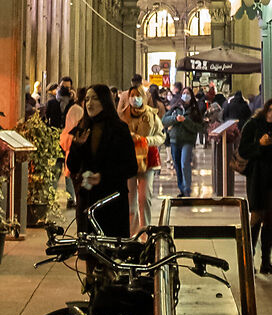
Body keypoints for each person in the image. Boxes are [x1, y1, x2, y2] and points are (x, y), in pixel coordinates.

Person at [66, 84, 136, 237]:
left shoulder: (119, 129)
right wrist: (77, 146)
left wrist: (103, 176)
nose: (89, 104)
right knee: (90, 252)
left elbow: (131, 167)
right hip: (88, 200)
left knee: (111, 253)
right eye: (87, 99)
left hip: (112, 200)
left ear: (105, 101)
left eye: (95, 99)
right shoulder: (82, 127)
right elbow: (72, 165)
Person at [239, 98, 272, 273]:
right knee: (256, 216)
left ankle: (266, 262)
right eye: (270, 111)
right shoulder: (253, 125)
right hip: (256, 177)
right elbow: (243, 150)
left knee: (270, 219)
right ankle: (248, 260)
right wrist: (259, 144)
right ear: (265, 110)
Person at [119, 84, 160, 234]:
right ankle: (132, 233)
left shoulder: (151, 115)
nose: (134, 98)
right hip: (128, 160)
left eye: (138, 95)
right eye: (132, 95)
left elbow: (161, 136)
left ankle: (145, 232)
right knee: (130, 202)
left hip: (146, 161)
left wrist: (146, 140)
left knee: (144, 198)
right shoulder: (123, 116)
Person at [165, 84, 199, 199]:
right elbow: (164, 120)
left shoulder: (194, 110)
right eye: (184, 93)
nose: (185, 95)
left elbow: (198, 127)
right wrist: (175, 119)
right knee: (177, 165)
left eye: (188, 93)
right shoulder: (175, 108)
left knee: (185, 163)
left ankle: (187, 188)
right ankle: (182, 189)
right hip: (175, 140)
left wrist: (185, 121)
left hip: (187, 141)